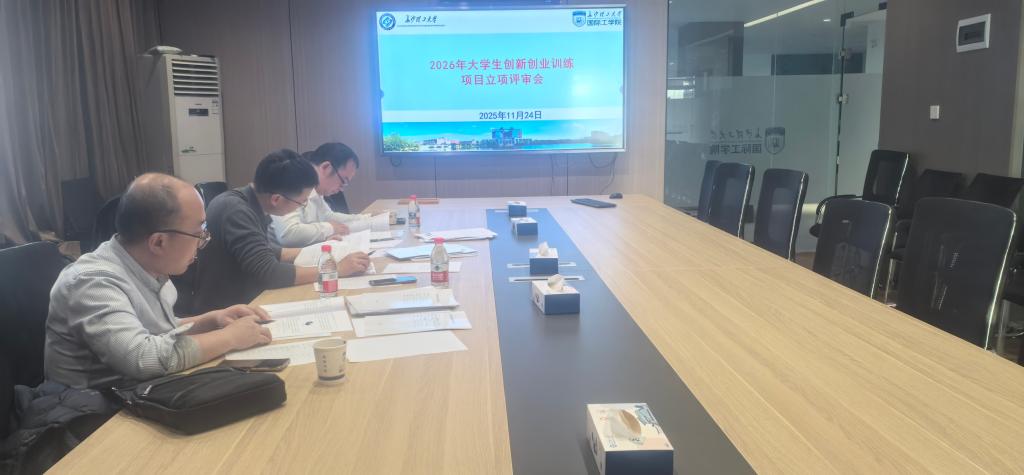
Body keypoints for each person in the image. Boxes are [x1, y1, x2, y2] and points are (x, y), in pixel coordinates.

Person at [45, 173, 274, 389]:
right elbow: (142, 358)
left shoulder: (147, 265)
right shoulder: (92, 282)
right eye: (199, 233)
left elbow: (157, 329)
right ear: (158, 242)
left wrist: (212, 320)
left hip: (141, 392)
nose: (203, 242)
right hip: (98, 409)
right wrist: (229, 337)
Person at [193, 149, 370, 313]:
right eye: (302, 202)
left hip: (247, 300)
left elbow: (263, 251)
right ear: (276, 199)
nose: (304, 205)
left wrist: (321, 250)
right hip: (228, 311)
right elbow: (270, 272)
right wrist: (335, 269)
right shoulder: (236, 210)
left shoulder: (249, 201)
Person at [271, 142, 367, 247]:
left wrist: (364, 218)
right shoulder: (292, 181)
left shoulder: (316, 189)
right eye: (343, 181)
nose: (341, 189)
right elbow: (288, 234)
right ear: (326, 167)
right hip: (280, 256)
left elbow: (327, 216)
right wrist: (330, 228)